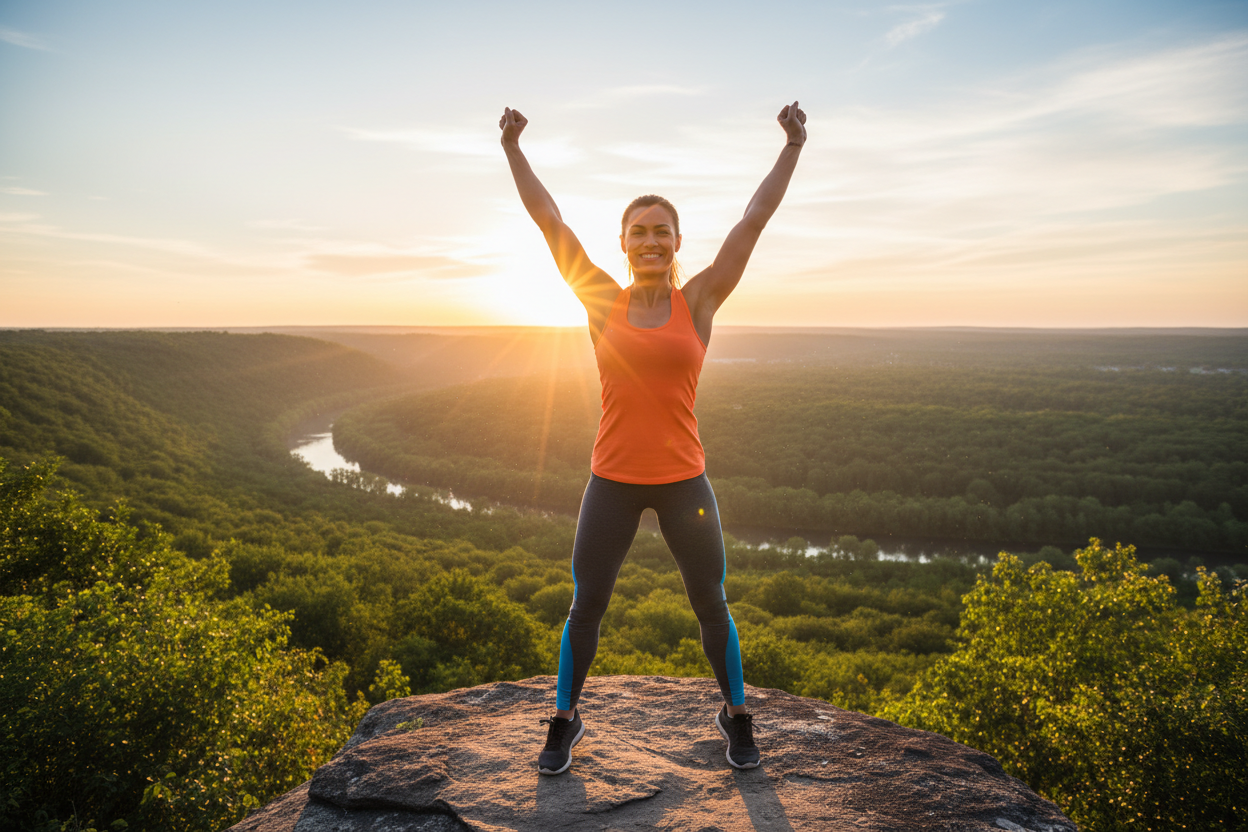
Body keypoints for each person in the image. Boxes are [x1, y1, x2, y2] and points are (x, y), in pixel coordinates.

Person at [499, 101, 806, 775]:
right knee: (587, 606)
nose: (650, 241)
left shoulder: (697, 303)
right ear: (623, 243)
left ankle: (736, 712)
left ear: (675, 242)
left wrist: (792, 146)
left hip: (683, 481)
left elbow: (751, 222)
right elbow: (551, 223)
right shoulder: (601, 301)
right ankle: (565, 719)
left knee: (710, 604)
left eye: (662, 232)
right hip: (610, 479)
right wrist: (514, 149)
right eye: (638, 231)